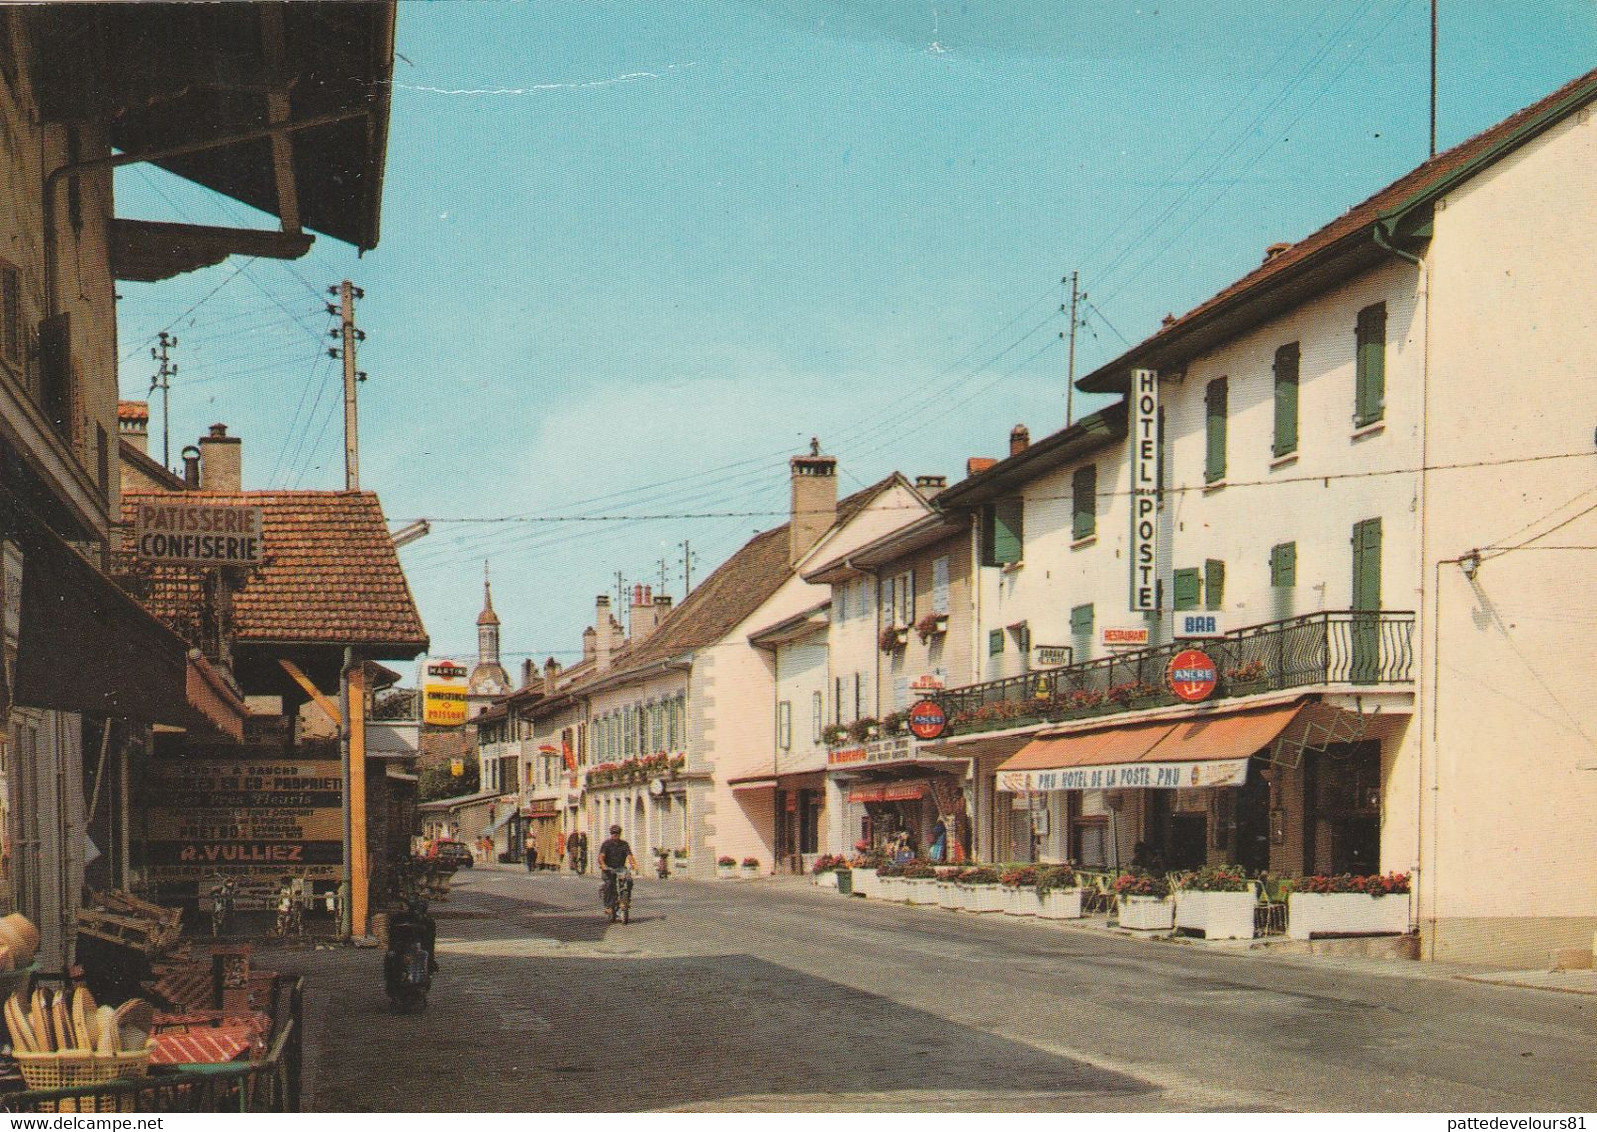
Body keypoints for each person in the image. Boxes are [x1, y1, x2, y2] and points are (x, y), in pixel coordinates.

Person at [597, 824, 638, 913]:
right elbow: (601, 857)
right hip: (608, 868)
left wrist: (634, 864)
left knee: (629, 880)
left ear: (620, 834)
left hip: (620, 868)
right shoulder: (606, 844)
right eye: (613, 833)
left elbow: (629, 855)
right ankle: (608, 906)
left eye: (617, 833)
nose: (615, 835)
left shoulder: (624, 844)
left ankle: (626, 900)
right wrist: (603, 865)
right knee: (609, 884)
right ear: (611, 834)